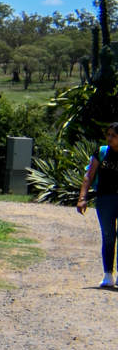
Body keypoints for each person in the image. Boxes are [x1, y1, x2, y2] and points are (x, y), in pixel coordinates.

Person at [75, 122, 118, 288]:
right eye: (108, 135)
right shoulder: (101, 153)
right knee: (108, 236)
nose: (110, 138)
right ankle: (108, 274)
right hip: (105, 200)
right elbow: (88, 176)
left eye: (114, 135)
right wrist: (82, 198)